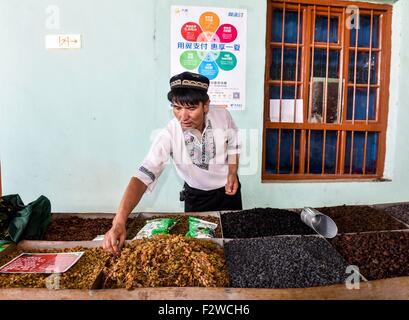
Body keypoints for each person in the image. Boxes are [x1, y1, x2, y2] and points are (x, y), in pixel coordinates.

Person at [103, 71, 242, 254]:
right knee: (198, 253)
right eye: (177, 108)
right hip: (196, 199)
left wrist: (232, 172)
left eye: (191, 108)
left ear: (206, 105)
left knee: (234, 248)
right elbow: (142, 177)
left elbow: (234, 143)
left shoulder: (222, 116)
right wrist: (119, 221)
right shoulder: (169, 134)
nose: (183, 116)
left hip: (228, 194)